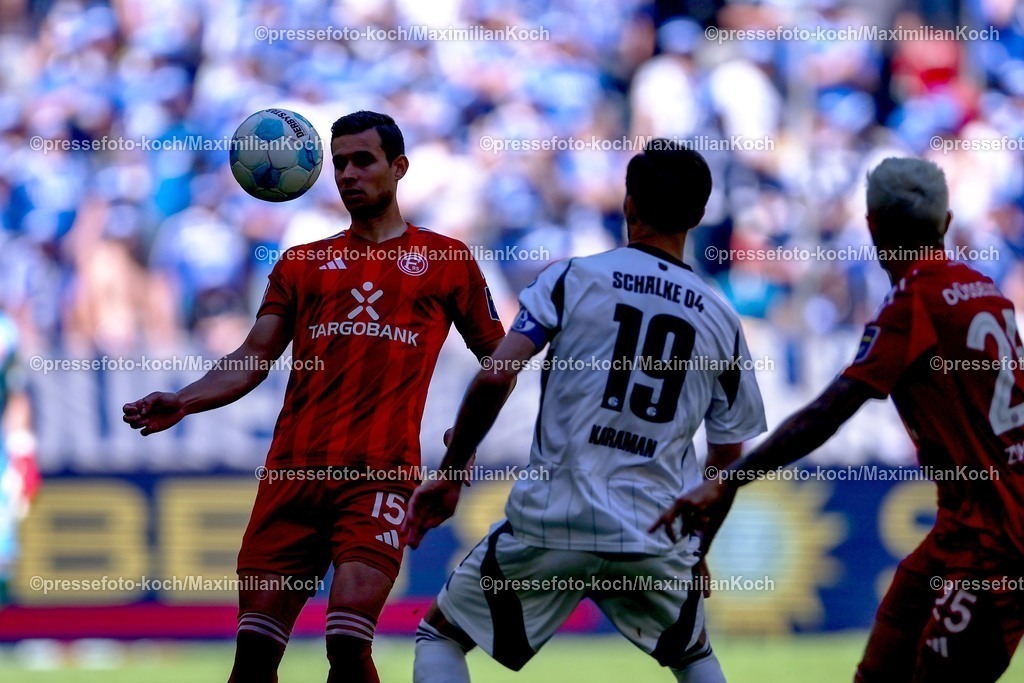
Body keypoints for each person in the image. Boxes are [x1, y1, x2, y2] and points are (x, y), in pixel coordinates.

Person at [123, 111, 506, 683]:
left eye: (364, 161)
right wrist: (185, 399)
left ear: (399, 168)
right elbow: (253, 357)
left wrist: (461, 454)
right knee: (252, 658)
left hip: (379, 475)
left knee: (347, 642)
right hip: (290, 477)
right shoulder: (301, 264)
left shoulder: (447, 261)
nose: (349, 174)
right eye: (340, 163)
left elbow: (500, 363)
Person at [402, 141, 767, 683]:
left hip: (557, 516)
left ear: (628, 206)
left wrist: (453, 471)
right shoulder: (720, 317)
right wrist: (698, 547)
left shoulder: (572, 279)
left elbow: (497, 372)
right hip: (654, 526)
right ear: (697, 216)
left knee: (441, 635)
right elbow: (728, 455)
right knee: (692, 657)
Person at [655, 158, 1024, 683]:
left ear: (872, 228)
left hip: (997, 538)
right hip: (961, 522)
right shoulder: (986, 290)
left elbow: (833, 408)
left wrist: (728, 479)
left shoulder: (914, 302)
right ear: (945, 223)